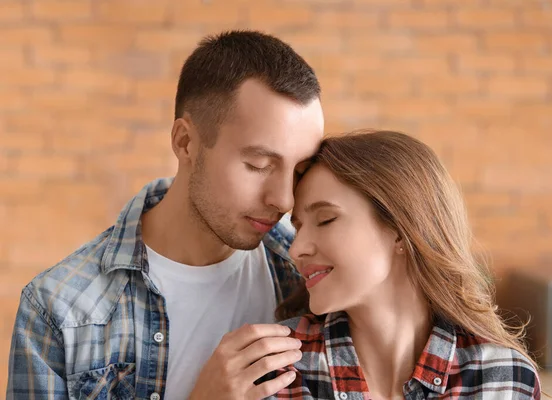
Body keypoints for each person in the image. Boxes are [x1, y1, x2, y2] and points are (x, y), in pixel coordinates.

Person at [7, 30, 324, 400]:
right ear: (185, 142)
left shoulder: (309, 277)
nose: (284, 198)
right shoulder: (60, 310)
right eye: (258, 164)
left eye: (300, 171)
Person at [269, 131, 541, 399]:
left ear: (400, 230)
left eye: (326, 219)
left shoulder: (502, 380)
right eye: (298, 228)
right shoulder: (277, 370)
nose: (296, 249)